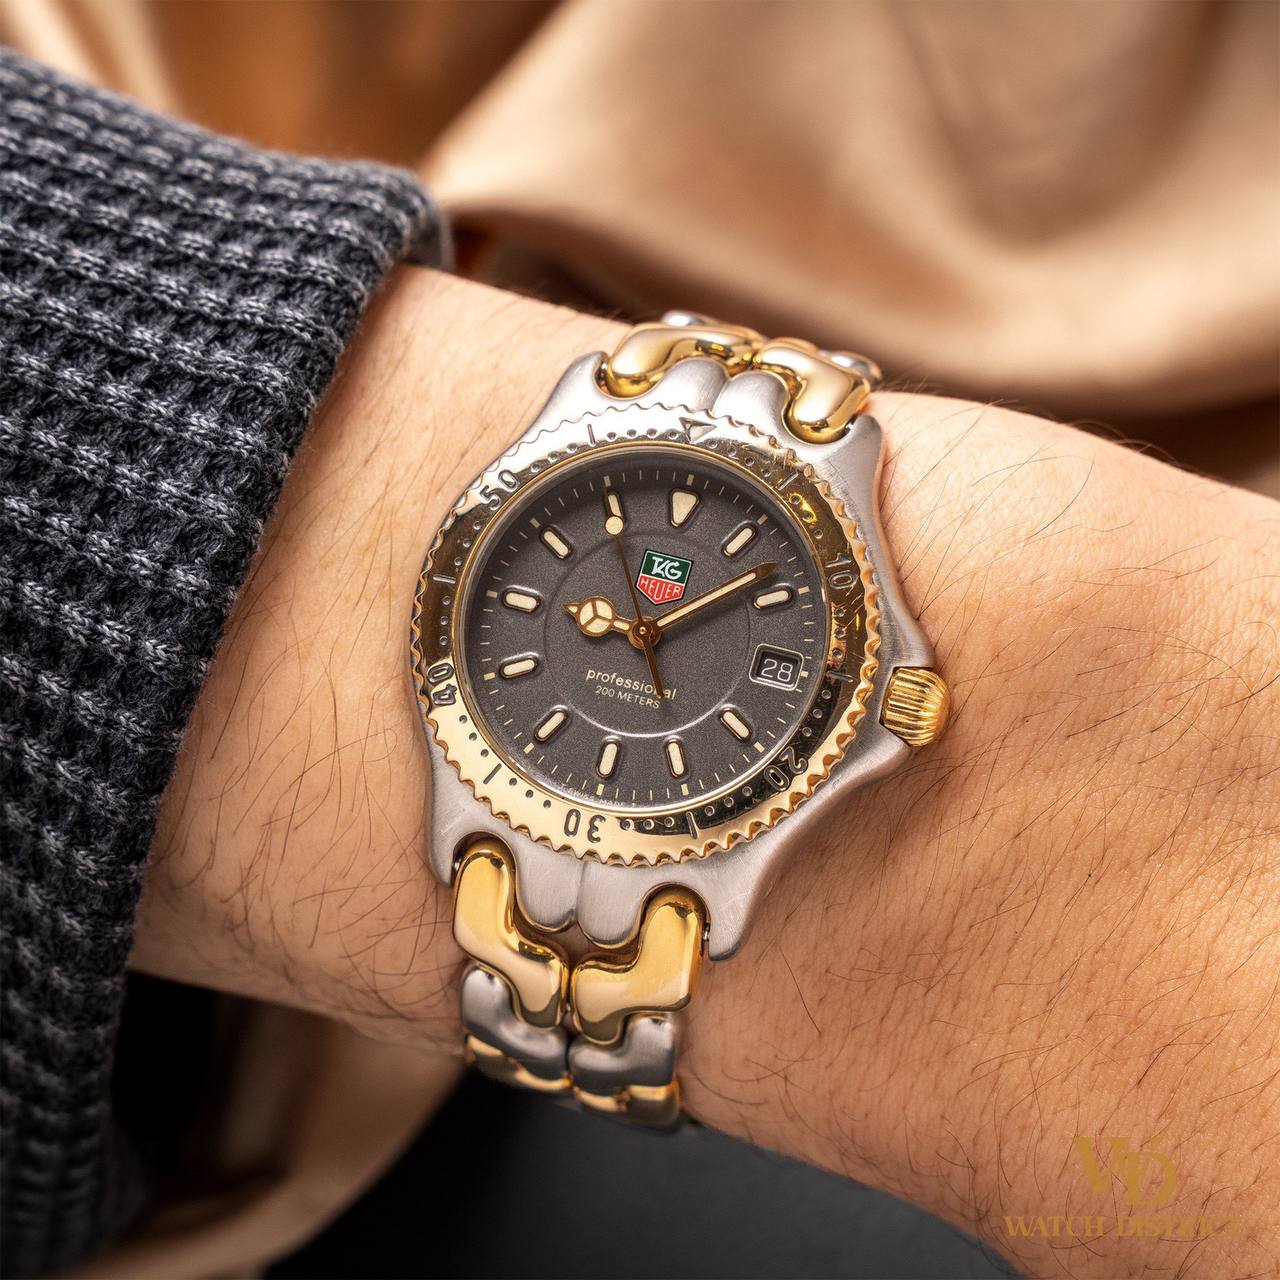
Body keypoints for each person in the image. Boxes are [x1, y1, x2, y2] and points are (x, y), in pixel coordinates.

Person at [2, 21, 1278, 1280]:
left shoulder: (812, 732)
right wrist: (1077, 663)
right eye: (639, 619)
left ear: (888, 708)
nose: (644, 622)